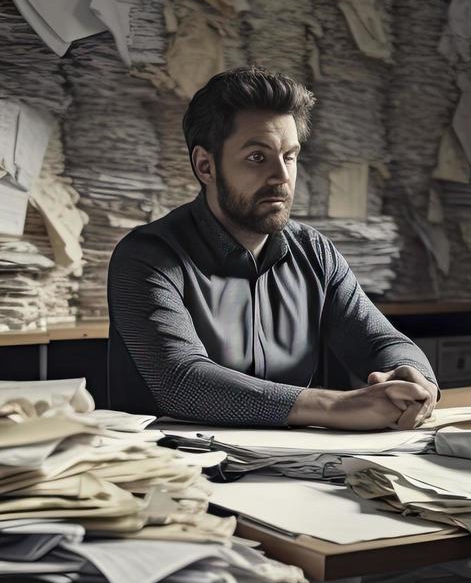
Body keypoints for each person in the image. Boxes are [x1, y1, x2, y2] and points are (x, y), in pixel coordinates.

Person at [107, 66, 439, 429]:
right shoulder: (146, 257)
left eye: (290, 156)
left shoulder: (315, 254)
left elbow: (382, 340)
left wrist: (415, 379)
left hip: (289, 469)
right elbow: (181, 381)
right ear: (205, 165)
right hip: (174, 473)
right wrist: (334, 407)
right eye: (257, 157)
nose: (281, 176)